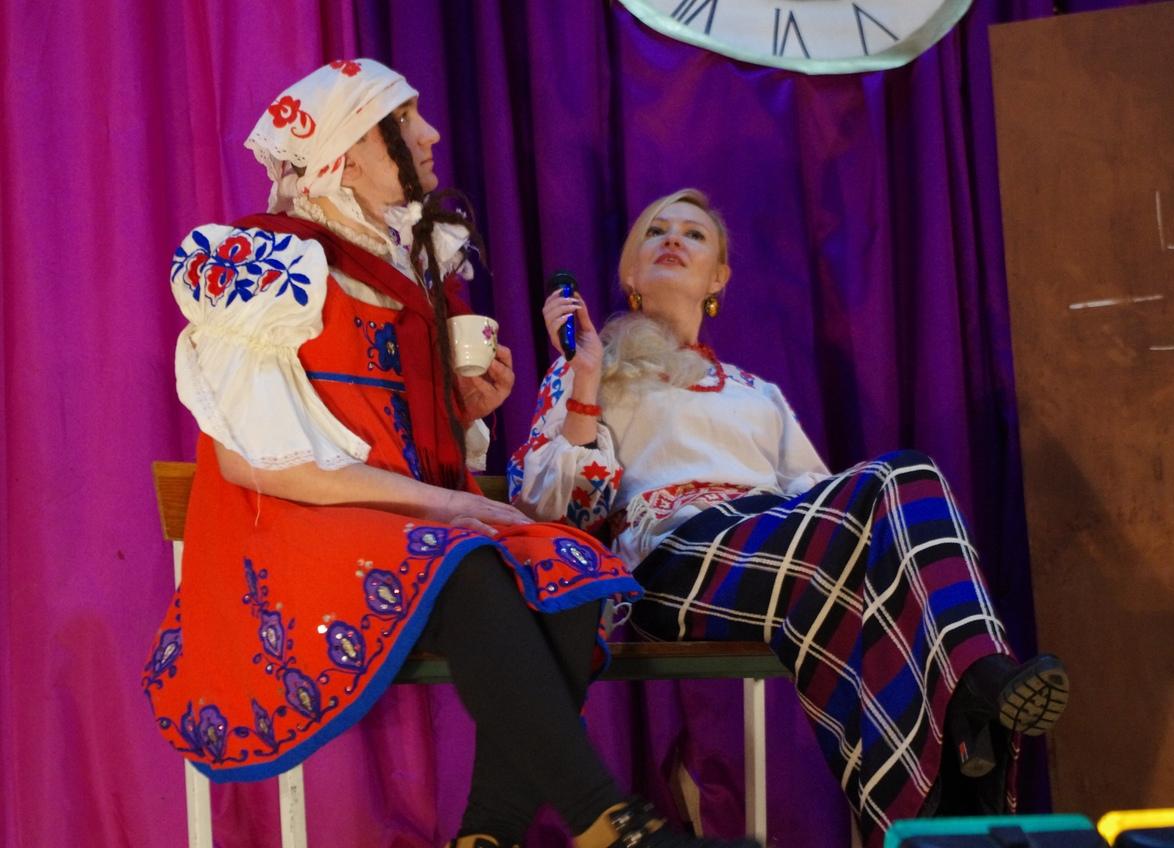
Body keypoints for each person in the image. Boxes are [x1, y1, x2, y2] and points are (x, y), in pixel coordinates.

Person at [141, 64, 764, 848]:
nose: (431, 134)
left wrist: (456, 410)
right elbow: (255, 465)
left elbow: (381, 430)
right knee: (468, 560)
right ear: (348, 156)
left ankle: (486, 836)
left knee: (568, 567)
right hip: (292, 533)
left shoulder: (410, 272)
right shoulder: (270, 266)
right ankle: (613, 826)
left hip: (393, 528)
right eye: (404, 121)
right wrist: (455, 503)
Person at [510, 188, 1070, 846]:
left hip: (776, 550)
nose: (674, 239)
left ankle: (968, 706)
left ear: (718, 280)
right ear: (629, 272)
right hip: (672, 559)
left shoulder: (757, 393)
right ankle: (967, 713)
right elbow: (551, 504)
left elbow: (821, 496)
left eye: (694, 235)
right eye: (657, 231)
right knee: (888, 510)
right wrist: (583, 378)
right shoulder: (594, 369)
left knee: (908, 481)